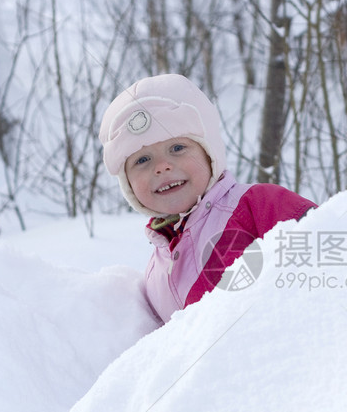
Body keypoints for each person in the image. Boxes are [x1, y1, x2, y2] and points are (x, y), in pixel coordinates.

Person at [99, 73, 316, 326]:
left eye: (177, 148)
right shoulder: (154, 276)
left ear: (209, 152)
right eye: (142, 160)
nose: (162, 167)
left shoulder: (258, 205)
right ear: (128, 185)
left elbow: (332, 250)